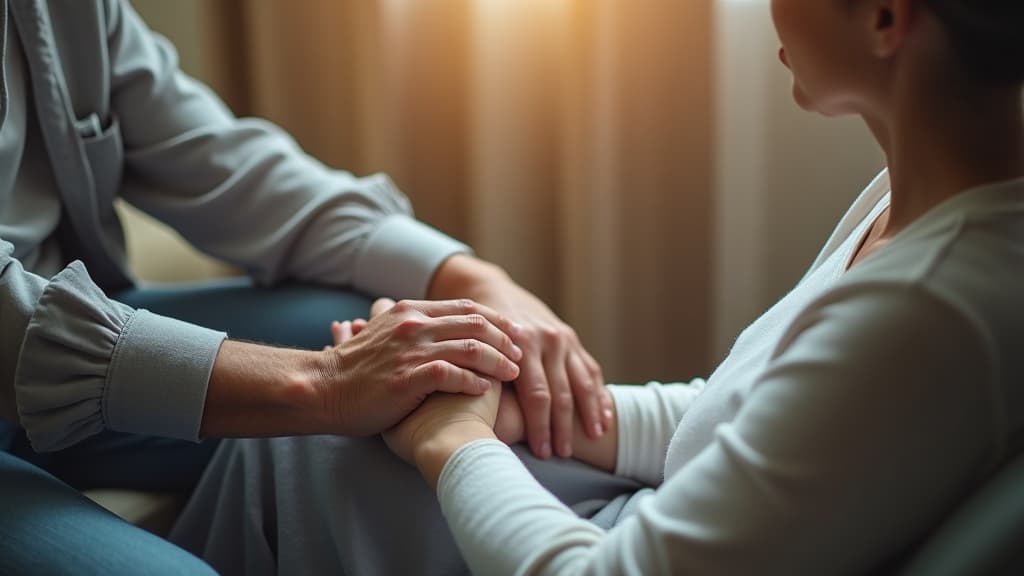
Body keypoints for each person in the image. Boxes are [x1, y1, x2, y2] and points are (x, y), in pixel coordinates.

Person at [166, 0, 1024, 573]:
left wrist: (449, 440)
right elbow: (745, 414)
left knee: (301, 445)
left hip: (620, 549)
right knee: (331, 420)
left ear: (883, 16)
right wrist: (512, 405)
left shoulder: (933, 307)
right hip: (655, 510)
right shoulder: (927, 198)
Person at [0, 0, 613, 573]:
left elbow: (222, 161)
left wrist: (473, 278)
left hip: (61, 326)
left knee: (418, 337)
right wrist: (323, 382)